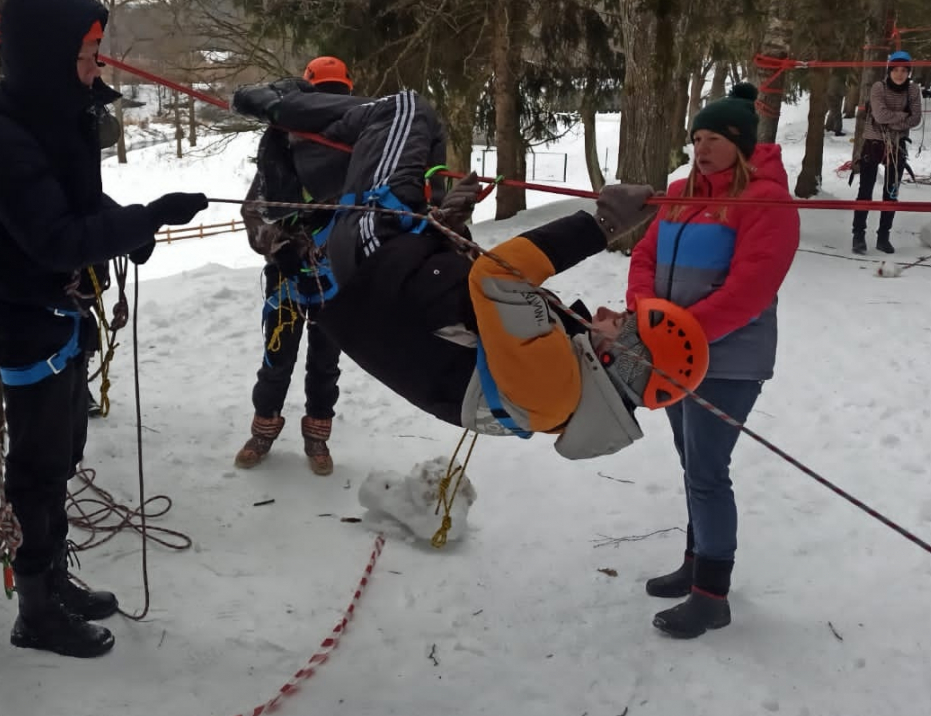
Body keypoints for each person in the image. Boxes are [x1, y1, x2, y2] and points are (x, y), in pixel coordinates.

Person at [230, 80, 705, 466]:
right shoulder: (557, 395)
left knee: (405, 110)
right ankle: (290, 148)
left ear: (624, 358)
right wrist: (445, 225)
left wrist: (601, 226)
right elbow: (466, 319)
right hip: (375, 272)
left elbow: (496, 282)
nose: (607, 310)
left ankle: (282, 105)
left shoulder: (554, 390)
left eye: (622, 322)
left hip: (376, 266)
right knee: (419, 141)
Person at [0, 0, 207, 658]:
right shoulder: (0, 140)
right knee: (36, 469)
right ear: (46, 55)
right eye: (89, 52)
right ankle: (35, 610)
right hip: (24, 323)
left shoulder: (52, 117)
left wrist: (127, 227)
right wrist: (144, 220)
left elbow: (80, 207)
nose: (99, 65)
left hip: (58, 316)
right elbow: (54, 237)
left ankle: (55, 580)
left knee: (63, 455)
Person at [620, 83, 800, 639]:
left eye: (715, 138)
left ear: (741, 143)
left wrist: (679, 335)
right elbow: (644, 257)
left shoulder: (766, 201)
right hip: (670, 351)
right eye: (697, 137)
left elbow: (750, 290)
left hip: (727, 361)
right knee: (691, 461)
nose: (701, 147)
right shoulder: (679, 192)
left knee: (706, 471)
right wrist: (647, 317)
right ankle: (697, 563)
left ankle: (712, 595)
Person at [234, 56, 357, 475]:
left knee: (325, 363)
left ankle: (317, 437)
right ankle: (263, 431)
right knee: (277, 356)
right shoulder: (281, 154)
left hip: (333, 277)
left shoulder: (354, 154)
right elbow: (254, 212)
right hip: (287, 275)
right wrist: (279, 246)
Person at [852, 50, 921, 255]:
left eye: (904, 71)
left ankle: (883, 237)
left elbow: (916, 119)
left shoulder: (913, 90)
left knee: (891, 194)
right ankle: (858, 235)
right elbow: (880, 116)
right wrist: (902, 116)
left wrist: (898, 119)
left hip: (897, 145)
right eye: (896, 70)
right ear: (889, 70)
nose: (899, 74)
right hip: (874, 143)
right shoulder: (878, 87)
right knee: (865, 191)